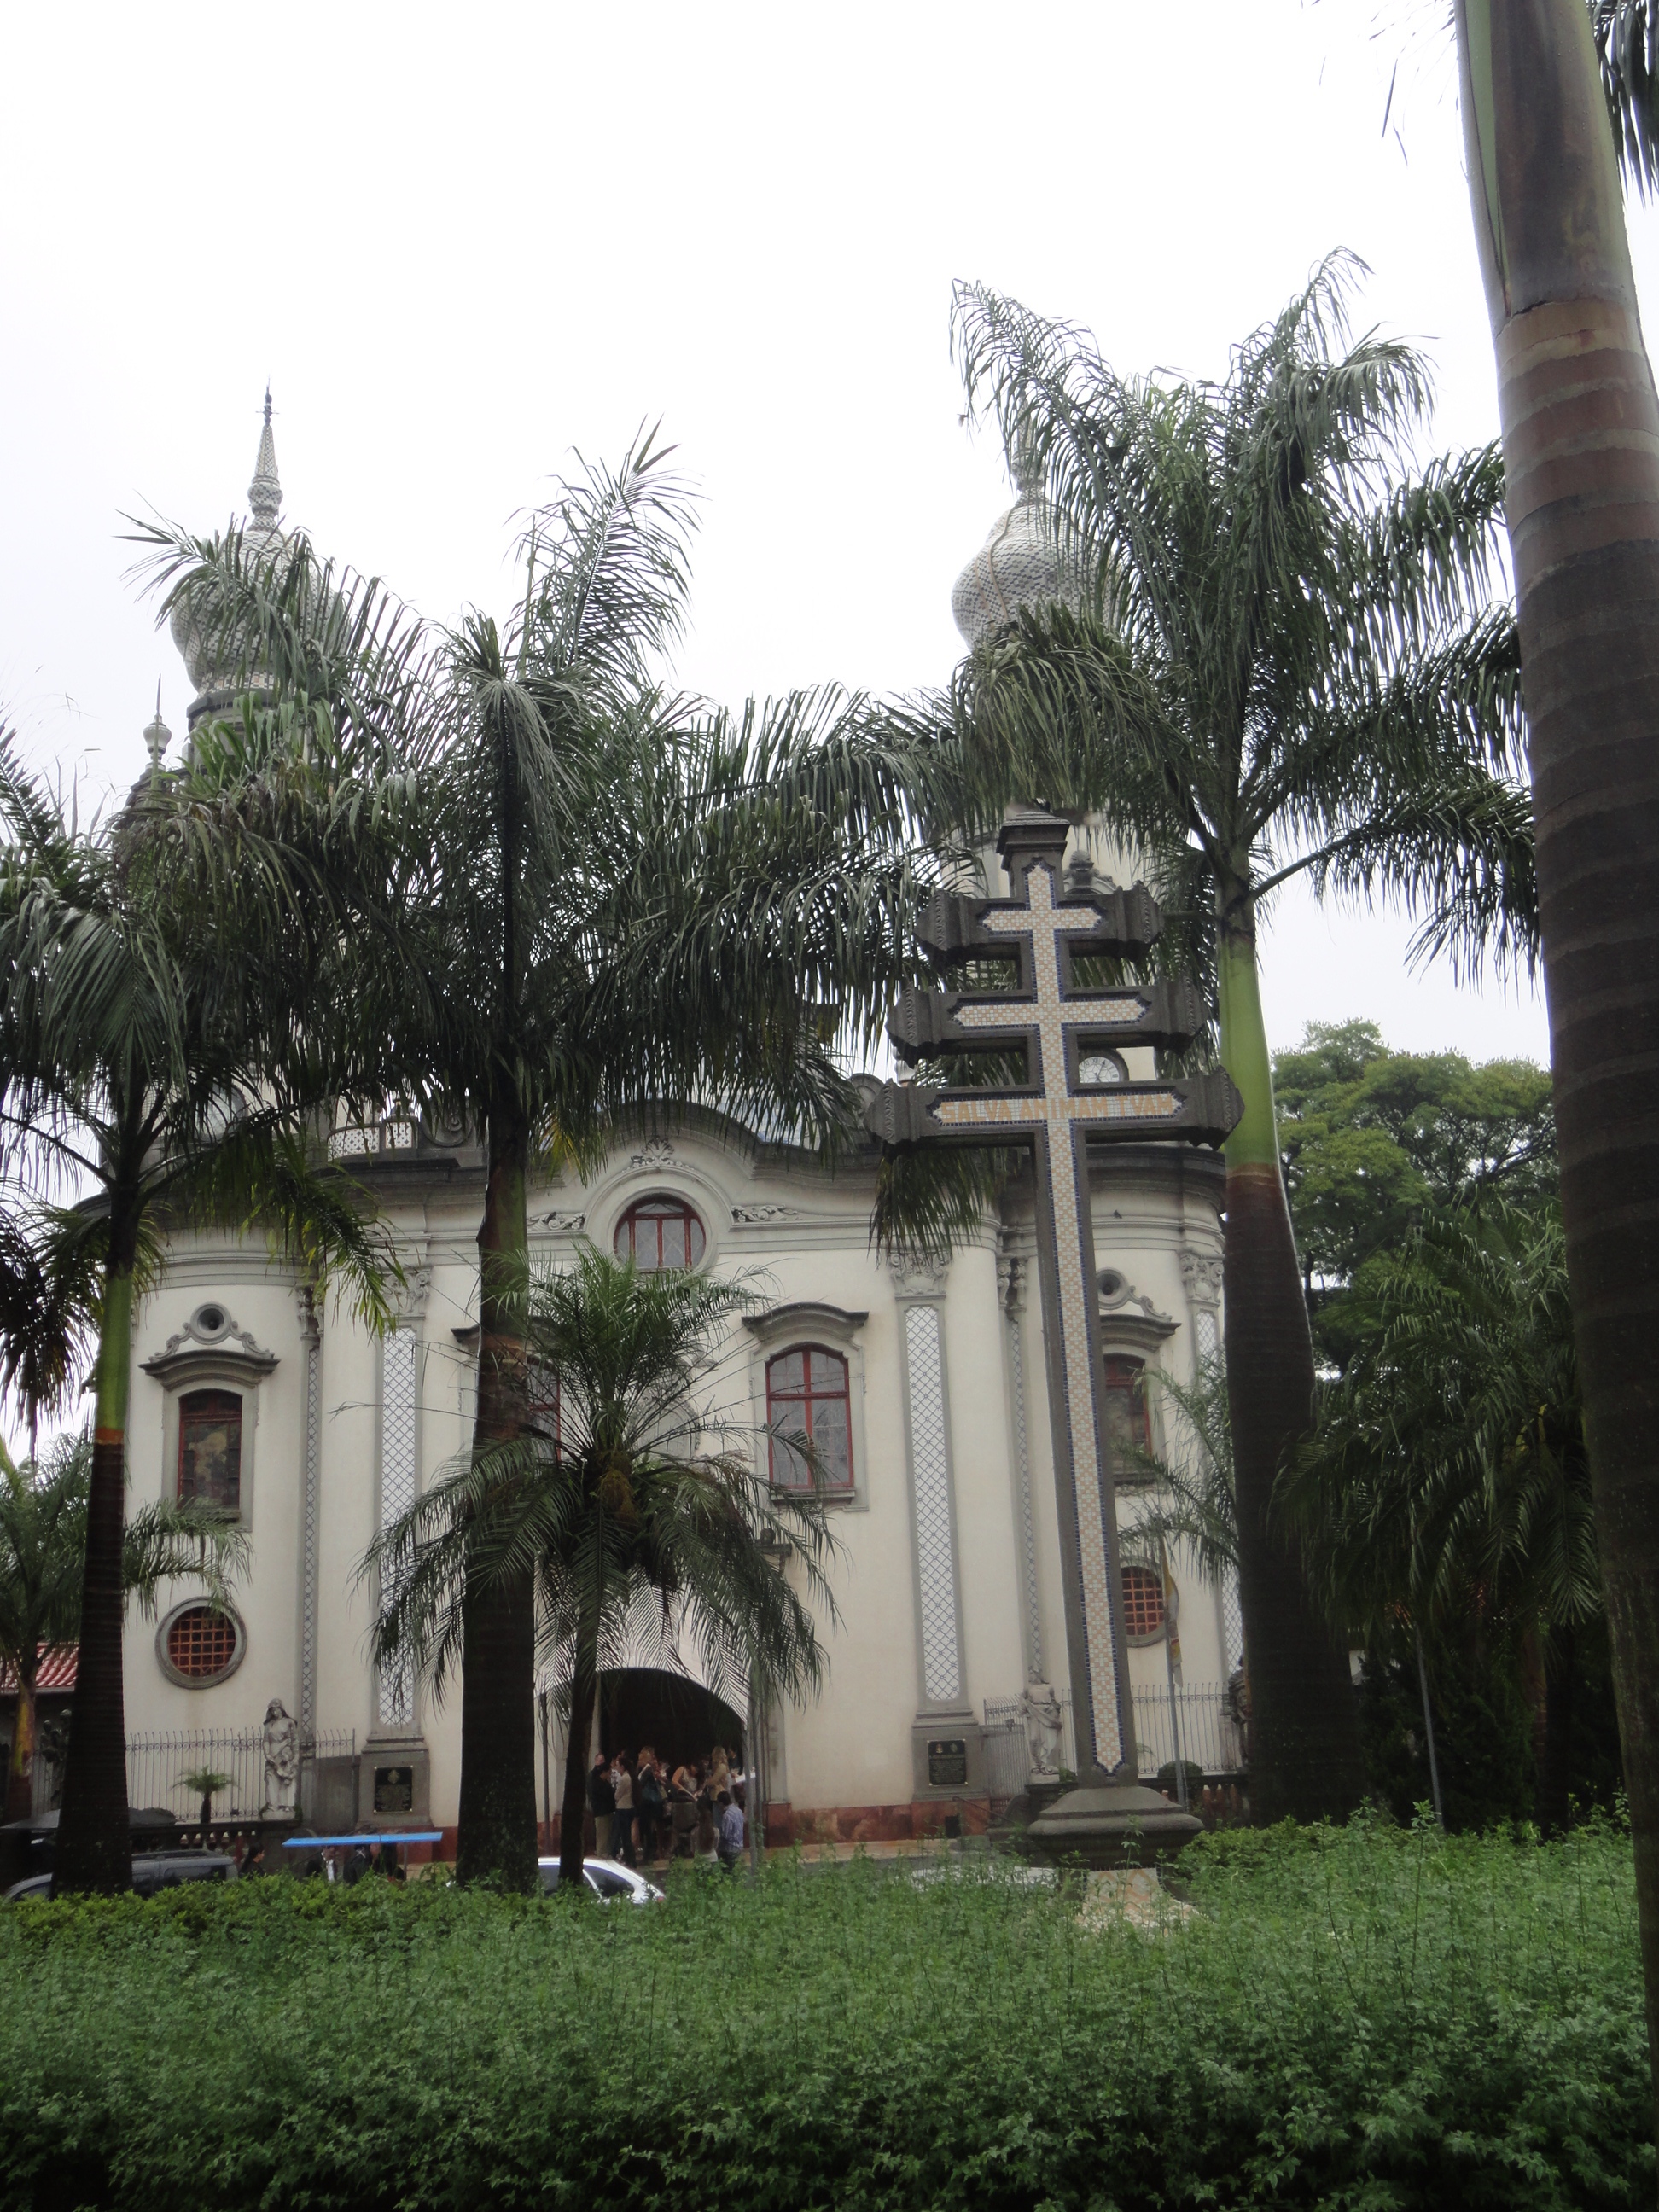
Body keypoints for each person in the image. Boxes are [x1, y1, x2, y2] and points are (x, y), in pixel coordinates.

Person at [637, 1748, 664, 1863]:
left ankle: (648, 1855)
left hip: (648, 1804)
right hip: (646, 1804)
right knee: (646, 1830)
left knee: (647, 1830)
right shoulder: (645, 1770)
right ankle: (648, 1854)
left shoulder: (647, 1770)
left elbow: (639, 1783)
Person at [588, 1749, 615, 1862]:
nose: (610, 1775)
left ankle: (605, 1856)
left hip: (606, 1812)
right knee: (602, 1837)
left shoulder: (603, 1783)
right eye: (609, 1772)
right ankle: (601, 1858)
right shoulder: (596, 1782)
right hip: (601, 1812)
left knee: (607, 1836)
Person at [609, 1753, 637, 1866]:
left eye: (618, 1766)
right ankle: (630, 1859)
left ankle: (630, 1860)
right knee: (625, 1836)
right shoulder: (630, 1777)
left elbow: (617, 1795)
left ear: (622, 1767)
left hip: (623, 1809)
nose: (616, 1768)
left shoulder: (624, 1779)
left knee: (625, 1837)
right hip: (628, 1808)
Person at [669, 1758, 698, 1860]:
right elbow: (674, 1781)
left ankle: (690, 1849)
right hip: (680, 1801)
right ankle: (676, 1849)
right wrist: (684, 1789)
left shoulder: (696, 1777)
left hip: (691, 1803)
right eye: (695, 1768)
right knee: (677, 1827)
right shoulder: (682, 1769)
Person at [716, 1789, 744, 1872]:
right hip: (739, 1846)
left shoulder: (727, 1815)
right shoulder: (738, 1811)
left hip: (730, 1849)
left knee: (728, 1872)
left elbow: (726, 1835)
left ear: (721, 1803)